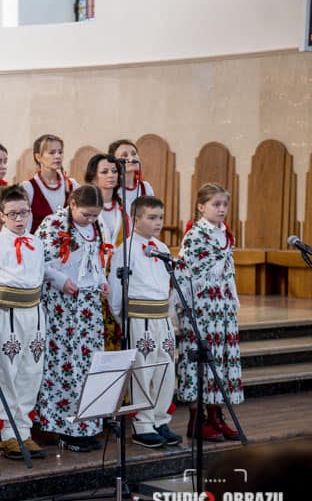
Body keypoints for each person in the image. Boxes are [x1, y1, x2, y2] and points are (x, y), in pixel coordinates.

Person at [34, 185, 109, 452]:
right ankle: (64, 428)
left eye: (94, 216)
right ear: (73, 204)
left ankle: (87, 425)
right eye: (86, 214)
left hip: (87, 306)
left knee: (88, 365)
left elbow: (97, 258)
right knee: (66, 364)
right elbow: (38, 260)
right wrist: (60, 279)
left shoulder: (96, 226)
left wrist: (102, 280)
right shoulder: (53, 224)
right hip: (62, 305)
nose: (90, 220)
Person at [108, 195, 180, 449]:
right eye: (151, 217)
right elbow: (116, 293)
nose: (158, 222)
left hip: (162, 319)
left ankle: (160, 418)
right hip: (139, 318)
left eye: (160, 217)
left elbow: (169, 287)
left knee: (165, 370)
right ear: (134, 219)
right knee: (143, 370)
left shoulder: (162, 248)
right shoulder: (124, 251)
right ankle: (142, 423)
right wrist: (124, 320)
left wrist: (170, 317)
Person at [176, 183, 242, 441]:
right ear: (201, 207)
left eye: (224, 204)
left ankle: (216, 416)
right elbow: (185, 274)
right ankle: (197, 420)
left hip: (222, 307)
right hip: (201, 307)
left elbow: (228, 271)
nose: (222, 209)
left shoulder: (225, 234)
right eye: (216, 204)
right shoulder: (194, 236)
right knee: (200, 362)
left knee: (221, 361)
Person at [0, 185, 46, 460]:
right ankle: (7, 432)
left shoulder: (37, 244)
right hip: (7, 311)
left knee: (30, 371)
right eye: (13, 214)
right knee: (7, 371)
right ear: (1, 215)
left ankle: (24, 429)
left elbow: (42, 276)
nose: (20, 219)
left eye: (24, 213)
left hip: (33, 312)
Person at [85, 153, 123, 352]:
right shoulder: (85, 209)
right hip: (93, 277)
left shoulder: (123, 210)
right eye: (105, 171)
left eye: (115, 171)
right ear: (93, 177)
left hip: (117, 277)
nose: (111, 175)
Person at [22, 134, 78, 233]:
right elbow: (24, 224)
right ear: (38, 157)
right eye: (52, 153)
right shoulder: (28, 187)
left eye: (60, 152)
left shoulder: (71, 185)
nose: (57, 156)